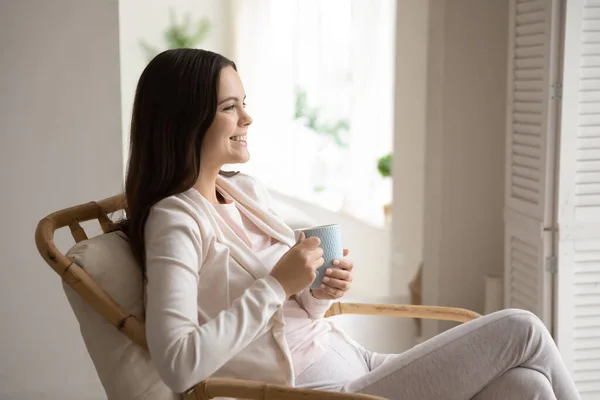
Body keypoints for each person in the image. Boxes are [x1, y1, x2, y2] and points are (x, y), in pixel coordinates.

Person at [121, 48, 581, 400]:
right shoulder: (175, 220)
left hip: (355, 360)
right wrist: (279, 285)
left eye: (244, 103)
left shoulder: (244, 191)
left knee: (529, 387)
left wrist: (316, 292)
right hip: (311, 391)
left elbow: (287, 315)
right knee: (522, 327)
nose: (247, 117)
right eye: (229, 107)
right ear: (186, 122)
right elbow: (178, 363)